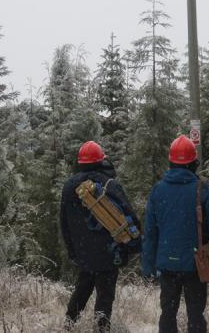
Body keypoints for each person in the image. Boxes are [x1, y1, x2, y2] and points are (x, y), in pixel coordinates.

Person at [142, 135, 209, 333]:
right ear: (193, 163)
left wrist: (148, 267)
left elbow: (150, 233)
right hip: (196, 264)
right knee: (196, 315)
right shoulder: (204, 190)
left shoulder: (158, 190)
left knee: (167, 315)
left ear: (171, 162)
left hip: (167, 265)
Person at [60, 141, 141, 332]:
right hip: (109, 253)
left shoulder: (69, 186)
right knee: (105, 297)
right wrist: (133, 247)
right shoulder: (109, 184)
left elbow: (64, 224)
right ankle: (101, 328)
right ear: (101, 161)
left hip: (83, 253)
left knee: (82, 289)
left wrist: (73, 251)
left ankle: (69, 325)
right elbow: (130, 217)